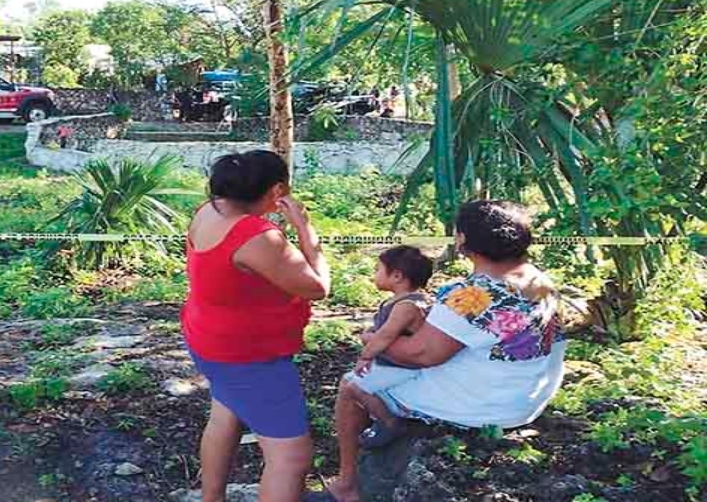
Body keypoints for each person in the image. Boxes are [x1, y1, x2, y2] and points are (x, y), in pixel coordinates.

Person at [311, 200, 566, 502]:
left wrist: (372, 338)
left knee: (351, 383)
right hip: (527, 399)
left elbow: (419, 355)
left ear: (463, 240)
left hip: (483, 407)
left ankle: (347, 486)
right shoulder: (539, 281)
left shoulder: (474, 295)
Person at [183, 151, 331, 502]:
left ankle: (212, 498)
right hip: (249, 356)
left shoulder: (210, 210)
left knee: (225, 415)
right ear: (277, 190)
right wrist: (306, 230)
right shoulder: (257, 236)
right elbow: (318, 286)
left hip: (208, 339)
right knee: (291, 458)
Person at [346, 246, 434, 448]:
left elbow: (385, 336)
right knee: (358, 383)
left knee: (356, 387)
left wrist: (365, 356)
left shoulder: (407, 306)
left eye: (378, 269)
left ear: (397, 276)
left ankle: (389, 423)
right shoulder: (399, 301)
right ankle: (379, 418)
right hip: (393, 363)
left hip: (404, 367)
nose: (374, 274)